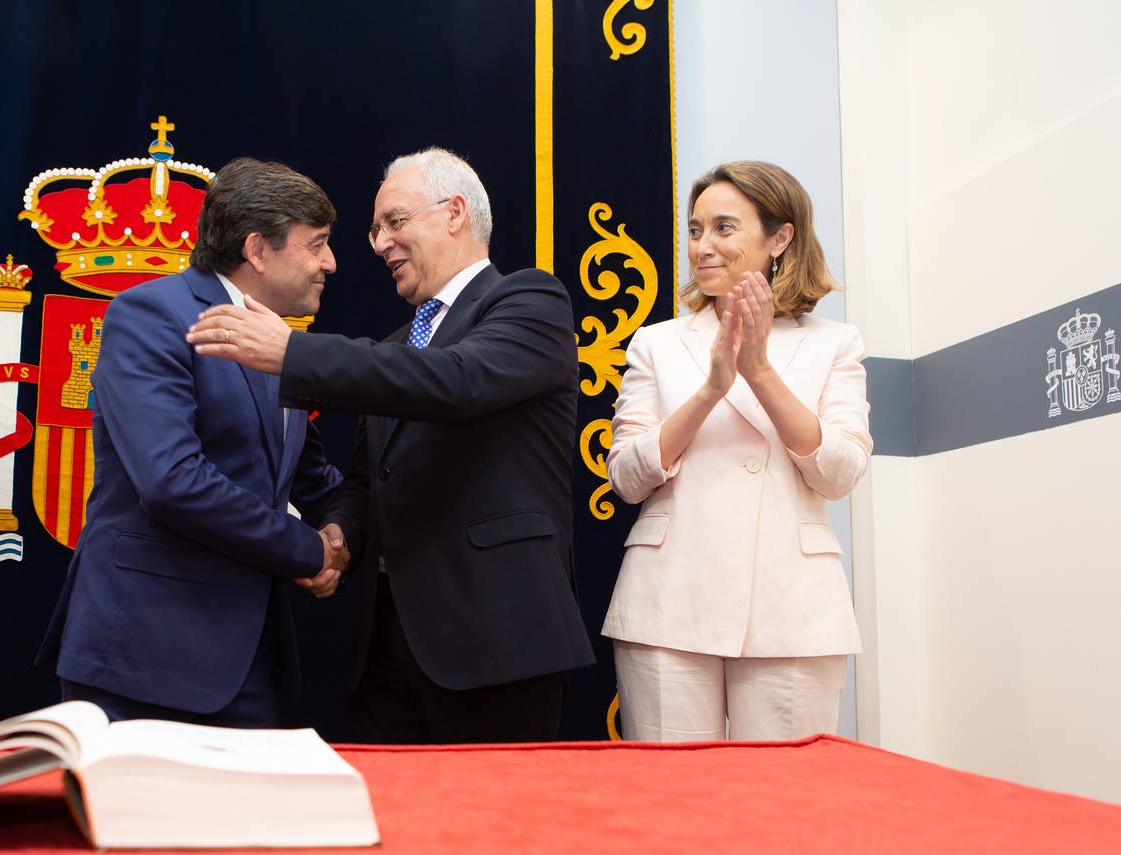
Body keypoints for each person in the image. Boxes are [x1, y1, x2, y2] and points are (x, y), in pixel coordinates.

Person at [187, 147, 594, 743]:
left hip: (498, 642)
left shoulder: (529, 301)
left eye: (395, 222)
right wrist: (341, 537)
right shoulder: (400, 346)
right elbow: (369, 477)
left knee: (499, 830)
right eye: (375, 229)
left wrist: (293, 353)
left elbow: (459, 381)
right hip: (389, 650)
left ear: (455, 212)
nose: (378, 244)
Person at [37, 158, 344, 728]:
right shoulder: (151, 314)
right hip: (147, 660)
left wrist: (343, 528)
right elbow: (172, 482)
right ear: (257, 249)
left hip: (253, 664)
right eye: (317, 244)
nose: (330, 263)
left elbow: (310, 476)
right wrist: (306, 549)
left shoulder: (278, 341)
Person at [602, 160, 872, 742]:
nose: (702, 246)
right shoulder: (657, 342)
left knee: (784, 808)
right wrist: (711, 389)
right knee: (673, 804)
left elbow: (841, 472)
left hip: (792, 610)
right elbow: (624, 476)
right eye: (695, 230)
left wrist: (759, 372)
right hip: (668, 603)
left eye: (724, 228)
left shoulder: (833, 343)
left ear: (780, 238)